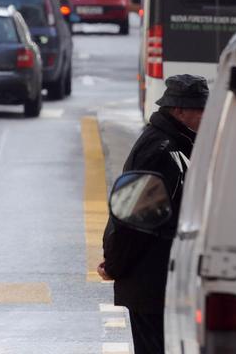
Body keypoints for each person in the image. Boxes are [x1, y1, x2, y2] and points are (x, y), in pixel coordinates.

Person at [100, 74, 210, 354]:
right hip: (148, 280)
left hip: (161, 279)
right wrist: (114, 265)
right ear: (179, 111)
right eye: (200, 109)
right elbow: (132, 220)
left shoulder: (178, 144)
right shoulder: (159, 150)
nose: (206, 115)